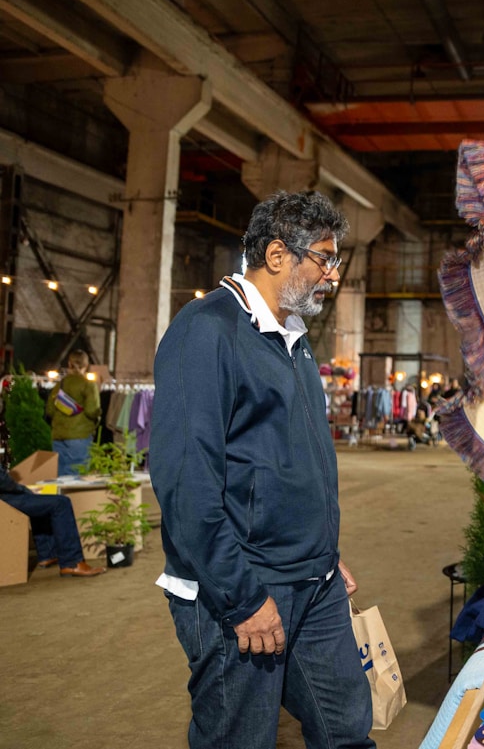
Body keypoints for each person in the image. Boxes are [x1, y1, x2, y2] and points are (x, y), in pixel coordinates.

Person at [150, 191, 374, 749]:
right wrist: (242, 597)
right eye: (324, 258)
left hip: (312, 580)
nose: (332, 273)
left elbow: (287, 458)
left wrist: (321, 545)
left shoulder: (294, 337)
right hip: (242, 587)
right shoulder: (207, 331)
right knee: (239, 738)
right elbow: (186, 483)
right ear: (278, 256)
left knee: (346, 728)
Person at [0, 465, 106, 577]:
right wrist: (25, 490)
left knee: (40, 502)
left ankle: (48, 554)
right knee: (61, 503)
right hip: (4, 499)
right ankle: (72, 562)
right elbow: (3, 481)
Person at [45, 350, 102, 475]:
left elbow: (49, 410)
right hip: (80, 436)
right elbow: (91, 411)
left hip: (58, 436)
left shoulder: (60, 385)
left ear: (69, 364)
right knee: (78, 475)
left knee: (61, 475)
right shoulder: (89, 385)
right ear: (86, 366)